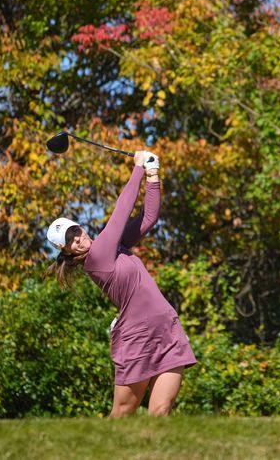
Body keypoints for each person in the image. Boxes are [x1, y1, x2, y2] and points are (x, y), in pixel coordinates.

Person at [45, 150, 196, 418]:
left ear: (81, 228)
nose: (77, 239)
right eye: (69, 241)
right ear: (66, 252)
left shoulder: (115, 247)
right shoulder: (98, 258)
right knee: (122, 414)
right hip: (137, 336)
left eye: (75, 232)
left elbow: (148, 218)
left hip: (165, 327)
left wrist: (152, 175)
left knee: (161, 411)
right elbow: (121, 212)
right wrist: (137, 168)